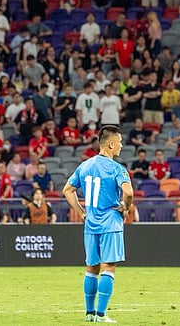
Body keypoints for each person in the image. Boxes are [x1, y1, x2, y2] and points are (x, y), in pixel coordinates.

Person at [63, 125, 134, 324]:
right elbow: (128, 193)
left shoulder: (84, 166)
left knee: (91, 268)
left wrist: (81, 213)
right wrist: (125, 208)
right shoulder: (117, 169)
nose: (120, 146)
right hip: (110, 222)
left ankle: (89, 313)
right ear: (111, 144)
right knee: (108, 267)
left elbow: (67, 190)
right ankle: (101, 315)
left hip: (91, 223)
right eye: (119, 142)